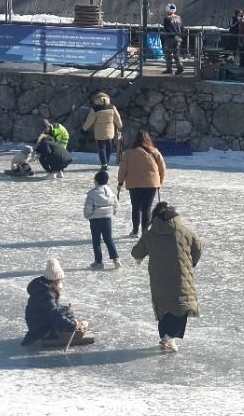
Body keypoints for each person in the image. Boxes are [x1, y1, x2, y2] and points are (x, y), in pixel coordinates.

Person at [131, 202, 202, 352]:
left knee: (164, 307)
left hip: (159, 278)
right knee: (181, 307)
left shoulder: (150, 234)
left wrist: (140, 257)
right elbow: (198, 248)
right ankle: (169, 338)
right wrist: (192, 263)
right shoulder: (184, 230)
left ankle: (167, 338)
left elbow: (136, 252)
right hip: (181, 277)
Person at [21, 259, 87, 346]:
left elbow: (53, 308)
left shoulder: (44, 287)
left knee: (68, 314)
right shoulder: (46, 293)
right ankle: (51, 334)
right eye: (60, 279)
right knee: (68, 322)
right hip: (42, 329)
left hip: (39, 324)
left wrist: (66, 309)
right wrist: (72, 325)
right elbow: (55, 314)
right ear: (55, 279)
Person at [118, 131, 166, 237]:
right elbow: (162, 169)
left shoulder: (129, 153)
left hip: (134, 184)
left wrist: (120, 182)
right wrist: (159, 183)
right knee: (147, 208)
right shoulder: (155, 152)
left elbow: (123, 169)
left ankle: (135, 231)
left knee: (135, 207)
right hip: (151, 184)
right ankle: (145, 231)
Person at [84, 170, 120, 269]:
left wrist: (88, 216)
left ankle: (99, 262)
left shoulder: (92, 194)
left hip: (95, 220)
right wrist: (111, 213)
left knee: (96, 241)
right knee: (108, 239)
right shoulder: (110, 192)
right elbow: (116, 204)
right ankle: (116, 258)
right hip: (107, 220)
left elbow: (88, 208)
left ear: (96, 181)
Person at [82, 92, 123, 170]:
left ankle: (104, 163)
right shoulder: (112, 107)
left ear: (97, 100)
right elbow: (117, 118)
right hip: (110, 131)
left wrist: (84, 129)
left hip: (99, 132)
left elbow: (89, 121)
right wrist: (120, 126)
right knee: (108, 147)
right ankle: (106, 161)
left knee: (101, 148)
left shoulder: (95, 109)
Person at [161, 4, 184, 75]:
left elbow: (166, 29)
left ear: (167, 10)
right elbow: (182, 28)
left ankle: (169, 69)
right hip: (178, 38)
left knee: (168, 54)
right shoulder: (179, 18)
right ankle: (180, 68)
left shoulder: (167, 18)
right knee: (176, 54)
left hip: (170, 38)